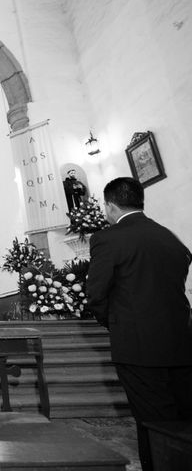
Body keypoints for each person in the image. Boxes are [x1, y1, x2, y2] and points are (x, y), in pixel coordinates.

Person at [86, 177, 192, 471]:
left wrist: (116, 322)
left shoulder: (107, 238)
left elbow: (95, 293)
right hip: (182, 343)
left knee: (152, 422)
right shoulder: (169, 237)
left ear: (110, 206)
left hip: (138, 347)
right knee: (184, 419)